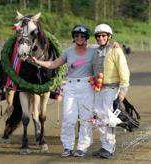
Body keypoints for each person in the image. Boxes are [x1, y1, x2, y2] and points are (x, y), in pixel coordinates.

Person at [31, 24, 95, 157]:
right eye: (77, 35)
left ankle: (82, 147)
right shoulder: (68, 52)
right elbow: (54, 64)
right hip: (71, 87)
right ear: (74, 37)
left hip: (87, 87)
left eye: (82, 36)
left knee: (85, 119)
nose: (79, 38)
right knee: (68, 119)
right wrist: (39, 62)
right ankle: (67, 147)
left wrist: (115, 45)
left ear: (86, 37)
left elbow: (107, 51)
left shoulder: (94, 51)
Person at [91, 24, 130, 159]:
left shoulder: (116, 50)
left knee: (108, 117)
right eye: (98, 36)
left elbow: (124, 71)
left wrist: (123, 91)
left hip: (111, 88)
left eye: (103, 35)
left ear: (109, 37)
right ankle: (104, 145)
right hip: (98, 88)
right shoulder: (95, 51)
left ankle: (109, 147)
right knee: (99, 117)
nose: (100, 38)